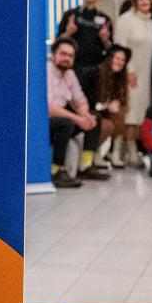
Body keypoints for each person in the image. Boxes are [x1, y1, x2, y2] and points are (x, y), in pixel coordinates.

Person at [57, 0, 112, 175]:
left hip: (94, 75)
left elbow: (110, 50)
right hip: (73, 72)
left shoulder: (104, 20)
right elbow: (59, 43)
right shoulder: (70, 15)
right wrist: (69, 32)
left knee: (92, 114)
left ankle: (87, 161)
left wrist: (105, 40)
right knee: (73, 114)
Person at [115, 0, 152, 166]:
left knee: (140, 114)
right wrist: (128, 70)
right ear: (134, 1)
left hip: (147, 73)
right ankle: (117, 151)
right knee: (127, 114)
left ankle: (132, 151)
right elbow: (120, 47)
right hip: (131, 73)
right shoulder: (125, 20)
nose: (144, 2)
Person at [47, 37, 98, 189]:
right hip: (44, 121)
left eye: (70, 56)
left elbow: (80, 100)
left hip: (61, 119)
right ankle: (56, 170)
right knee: (66, 123)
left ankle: (86, 165)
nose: (67, 58)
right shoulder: (46, 72)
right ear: (54, 54)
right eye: (63, 54)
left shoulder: (69, 74)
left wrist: (86, 116)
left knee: (95, 118)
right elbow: (48, 107)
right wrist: (77, 118)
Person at [93, 44, 133, 170]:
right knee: (106, 124)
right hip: (93, 111)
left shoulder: (120, 78)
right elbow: (92, 101)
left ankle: (114, 153)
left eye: (123, 60)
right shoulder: (97, 73)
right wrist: (106, 106)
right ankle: (95, 153)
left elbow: (122, 99)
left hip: (108, 112)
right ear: (110, 58)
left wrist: (118, 104)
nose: (120, 62)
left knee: (121, 113)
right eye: (117, 58)